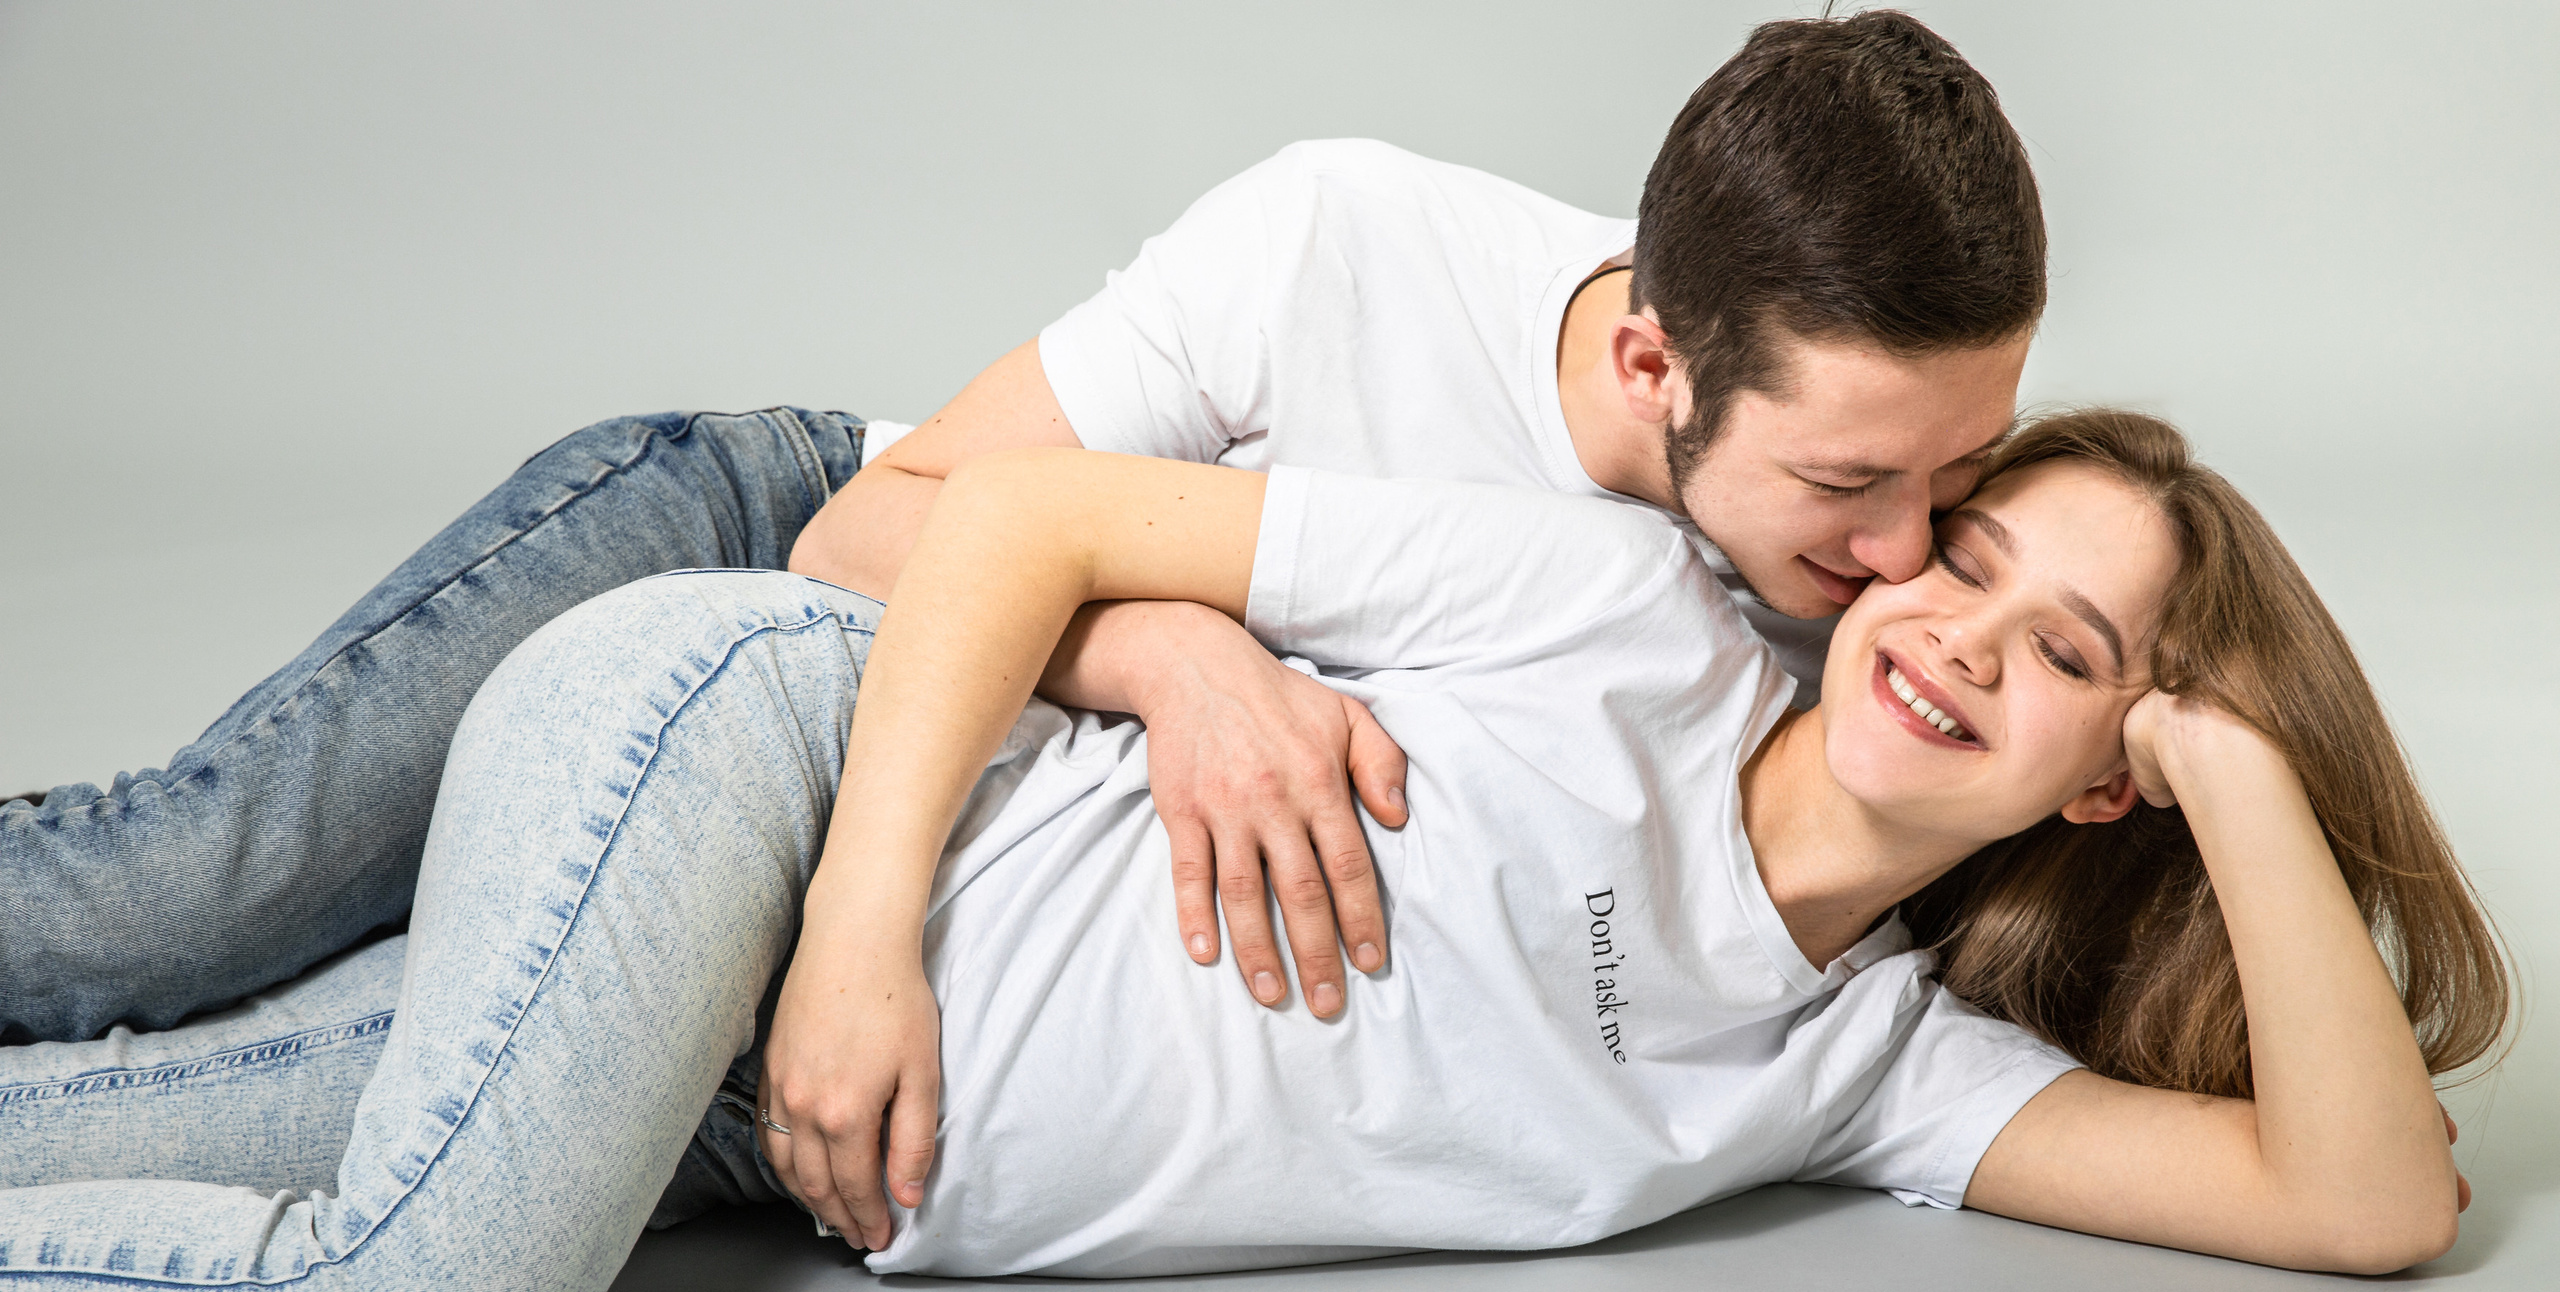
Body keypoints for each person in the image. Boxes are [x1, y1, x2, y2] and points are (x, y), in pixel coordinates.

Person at [0, 411, 2509, 1292]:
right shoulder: (1607, 609)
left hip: (754, 1125)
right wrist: (866, 935)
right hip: (766, 787)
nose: (1955, 629)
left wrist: (2238, 768)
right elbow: (1020, 525)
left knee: (93, 1126)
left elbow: (2360, 1201)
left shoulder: (1860, 1070)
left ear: (2105, 774)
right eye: (1971, 552)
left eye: (2064, 648)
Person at [1, 9, 2042, 1049]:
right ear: (1653, 365)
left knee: (282, 1045)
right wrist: (1174, 655)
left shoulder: (1871, 559)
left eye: (1956, 472)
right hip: (743, 555)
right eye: (1849, 488)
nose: (1907, 553)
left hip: (843, 805)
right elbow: (866, 536)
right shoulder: (1340, 237)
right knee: (186, 910)